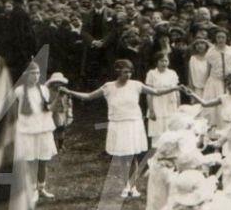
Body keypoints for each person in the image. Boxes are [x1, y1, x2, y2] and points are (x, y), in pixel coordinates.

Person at [60, 59, 181, 198]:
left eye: (130, 72)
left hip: (134, 123)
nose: (128, 74)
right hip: (118, 124)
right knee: (123, 157)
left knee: (133, 155)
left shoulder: (136, 85)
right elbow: (88, 96)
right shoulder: (108, 87)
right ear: (117, 72)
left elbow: (156, 92)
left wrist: (174, 88)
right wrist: (69, 91)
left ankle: (133, 187)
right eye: (125, 72)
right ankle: (126, 186)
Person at [13, 62, 58, 201]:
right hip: (27, 130)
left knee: (43, 159)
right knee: (31, 161)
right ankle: (32, 190)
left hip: (43, 129)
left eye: (38, 73)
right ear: (26, 75)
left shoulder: (44, 89)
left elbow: (47, 107)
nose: (36, 76)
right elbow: (13, 110)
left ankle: (41, 187)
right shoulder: (19, 91)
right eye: (33, 73)